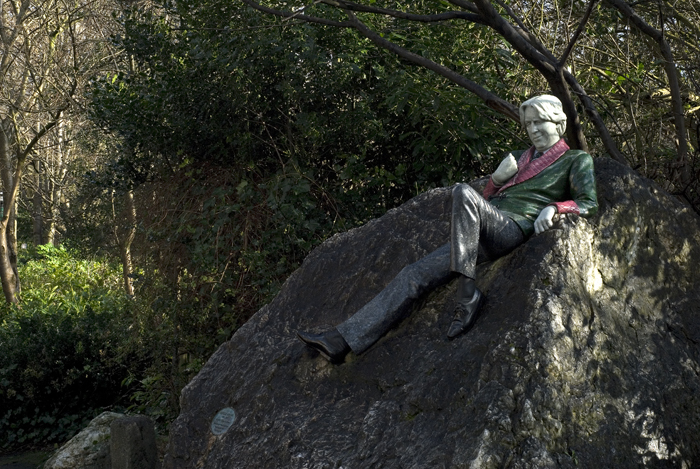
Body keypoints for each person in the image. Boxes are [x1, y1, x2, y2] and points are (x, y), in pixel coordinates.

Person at [297, 95, 598, 364]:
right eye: (529, 123)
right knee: (414, 274)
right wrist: (495, 180)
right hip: (480, 233)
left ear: (558, 123)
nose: (533, 129)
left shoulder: (575, 159)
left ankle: (467, 296)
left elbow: (589, 204)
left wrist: (556, 208)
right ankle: (340, 341)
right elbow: (484, 203)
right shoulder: (520, 158)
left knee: (462, 192)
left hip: (512, 229)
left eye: (540, 122)